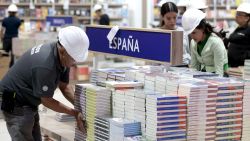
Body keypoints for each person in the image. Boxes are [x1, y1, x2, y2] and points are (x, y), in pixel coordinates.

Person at [0, 26, 88, 141]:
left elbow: (65, 86)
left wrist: (82, 108)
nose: (75, 62)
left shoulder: (61, 56)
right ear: (63, 51)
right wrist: (74, 113)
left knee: (35, 134)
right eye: (74, 58)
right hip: (12, 98)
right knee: (22, 129)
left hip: (27, 98)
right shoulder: (46, 65)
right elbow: (47, 101)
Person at [182, 8, 228, 77]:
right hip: (203, 75)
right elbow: (194, 67)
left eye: (194, 33)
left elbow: (219, 70)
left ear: (202, 28)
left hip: (218, 76)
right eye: (190, 33)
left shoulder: (216, 43)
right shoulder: (193, 43)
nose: (192, 36)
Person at [160, 2, 191, 66]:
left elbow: (188, 52)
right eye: (168, 18)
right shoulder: (158, 32)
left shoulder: (182, 31)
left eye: (175, 17)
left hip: (184, 67)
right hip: (164, 70)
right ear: (162, 17)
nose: (172, 21)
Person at [224, 3, 250, 67]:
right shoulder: (239, 28)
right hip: (233, 66)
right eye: (236, 14)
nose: (236, 16)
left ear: (247, 18)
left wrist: (243, 57)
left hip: (243, 67)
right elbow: (233, 41)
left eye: (239, 14)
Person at [0, 3, 21, 68]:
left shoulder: (5, 20)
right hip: (15, 39)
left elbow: (2, 30)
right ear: (15, 12)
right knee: (13, 55)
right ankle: (11, 67)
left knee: (3, 53)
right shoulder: (18, 20)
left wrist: (1, 38)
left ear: (8, 12)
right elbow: (17, 28)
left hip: (6, 39)